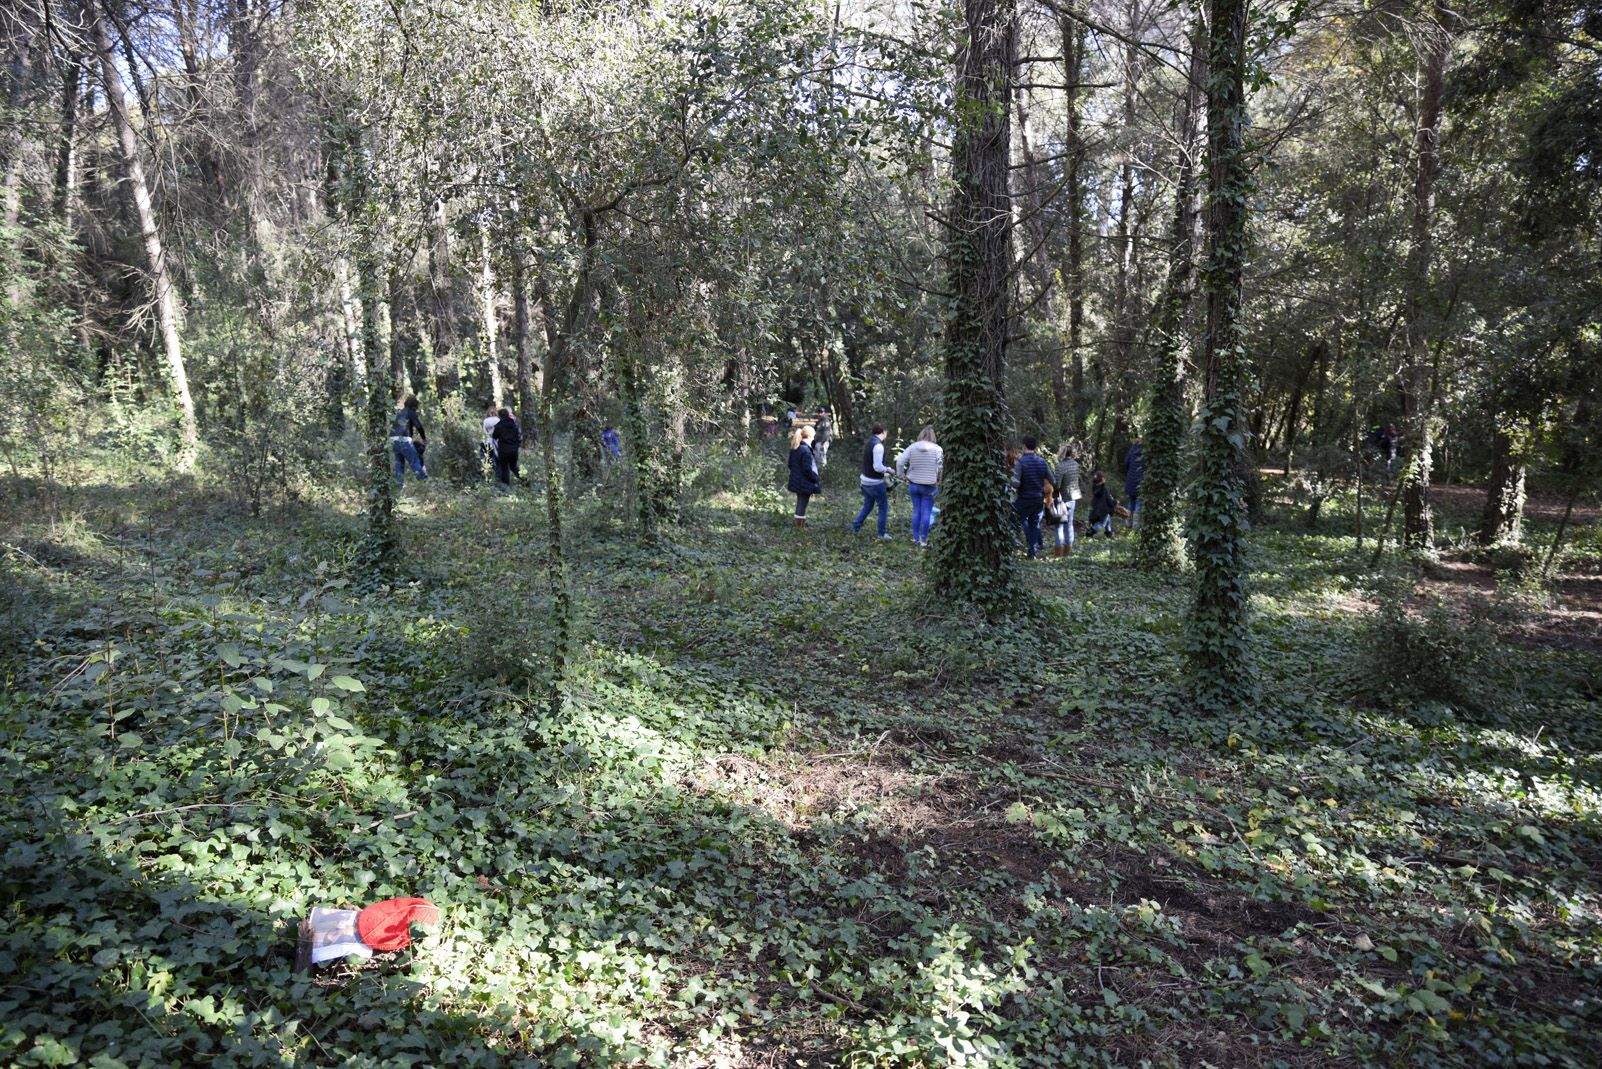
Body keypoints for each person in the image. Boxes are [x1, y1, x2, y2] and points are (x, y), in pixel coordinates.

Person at [896, 426, 943, 548]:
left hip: (914, 484)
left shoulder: (912, 447)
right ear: (933, 436)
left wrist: (901, 476)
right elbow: (941, 466)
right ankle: (923, 540)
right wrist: (939, 479)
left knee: (916, 511)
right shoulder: (938, 449)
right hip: (930, 485)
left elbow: (900, 462)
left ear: (921, 435)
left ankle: (915, 539)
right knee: (927, 512)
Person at [1010, 436, 1054, 559]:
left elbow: (1016, 483)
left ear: (1024, 446)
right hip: (1038, 499)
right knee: (1034, 525)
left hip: (1024, 499)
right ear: (1035, 447)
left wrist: (1009, 479)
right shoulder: (1042, 462)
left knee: (1012, 517)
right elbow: (1053, 479)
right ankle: (1032, 552)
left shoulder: (1021, 462)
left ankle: (1011, 544)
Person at [853, 424, 893, 540]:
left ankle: (856, 526)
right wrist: (888, 469)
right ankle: (881, 534)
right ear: (884, 432)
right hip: (875, 483)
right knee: (883, 507)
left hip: (865, 481)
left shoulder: (869, 442)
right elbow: (877, 467)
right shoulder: (878, 446)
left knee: (868, 505)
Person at [787, 425, 823, 527]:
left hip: (797, 480)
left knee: (800, 502)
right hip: (804, 481)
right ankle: (799, 527)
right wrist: (815, 478)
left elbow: (790, 464)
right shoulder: (806, 450)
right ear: (811, 435)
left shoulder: (796, 447)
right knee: (802, 504)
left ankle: (798, 524)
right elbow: (807, 469)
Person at [1051, 442, 1082, 557]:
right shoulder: (1075, 464)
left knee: (1059, 525)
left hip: (1062, 498)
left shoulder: (1060, 466)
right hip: (1073, 497)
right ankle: (1068, 551)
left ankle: (1058, 553)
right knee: (1069, 524)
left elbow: (1057, 485)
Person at [390, 395, 428, 484]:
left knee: (399, 465)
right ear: (414, 406)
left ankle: (398, 489)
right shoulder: (411, 412)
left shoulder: (400, 412)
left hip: (393, 440)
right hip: (404, 439)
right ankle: (424, 484)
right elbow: (418, 426)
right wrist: (424, 438)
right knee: (415, 461)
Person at [491, 407, 522, 488]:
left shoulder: (499, 425)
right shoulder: (514, 424)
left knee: (504, 467)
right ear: (508, 415)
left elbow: (494, 436)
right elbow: (519, 437)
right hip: (514, 450)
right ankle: (524, 480)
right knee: (514, 466)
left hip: (503, 450)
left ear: (500, 416)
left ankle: (505, 486)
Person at [1085, 472, 1119, 537]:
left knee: (1108, 518)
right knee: (1101, 524)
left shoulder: (1094, 487)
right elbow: (1110, 501)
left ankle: (1109, 533)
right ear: (1102, 479)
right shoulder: (1104, 489)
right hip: (1103, 511)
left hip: (1095, 510)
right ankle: (1090, 530)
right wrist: (1116, 502)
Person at [1123, 437, 1145, 528]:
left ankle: (1128, 523)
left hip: (1130, 480)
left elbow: (1126, 462)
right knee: (1139, 502)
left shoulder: (1132, 450)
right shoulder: (1145, 452)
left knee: (1131, 501)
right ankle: (1135, 526)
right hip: (1140, 481)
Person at [481, 404, 501, 479]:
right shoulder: (498, 420)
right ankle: (498, 478)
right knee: (498, 461)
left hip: (487, 442)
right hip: (497, 443)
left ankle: (488, 477)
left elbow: (484, 432)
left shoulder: (486, 421)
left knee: (488, 460)